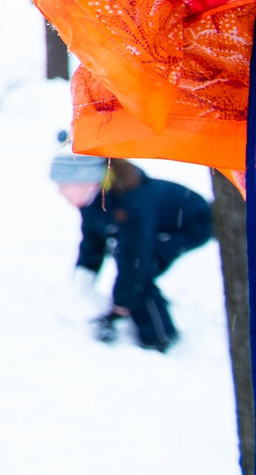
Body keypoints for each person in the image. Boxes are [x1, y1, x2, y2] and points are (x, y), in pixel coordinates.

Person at [54, 149, 212, 351]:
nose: (60, 191)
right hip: (153, 227)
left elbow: (135, 258)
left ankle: (159, 338)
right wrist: (83, 278)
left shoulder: (130, 202)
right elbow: (92, 242)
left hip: (191, 224)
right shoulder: (93, 201)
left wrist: (121, 302)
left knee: (140, 273)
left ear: (87, 180)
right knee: (132, 267)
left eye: (64, 185)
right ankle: (142, 310)